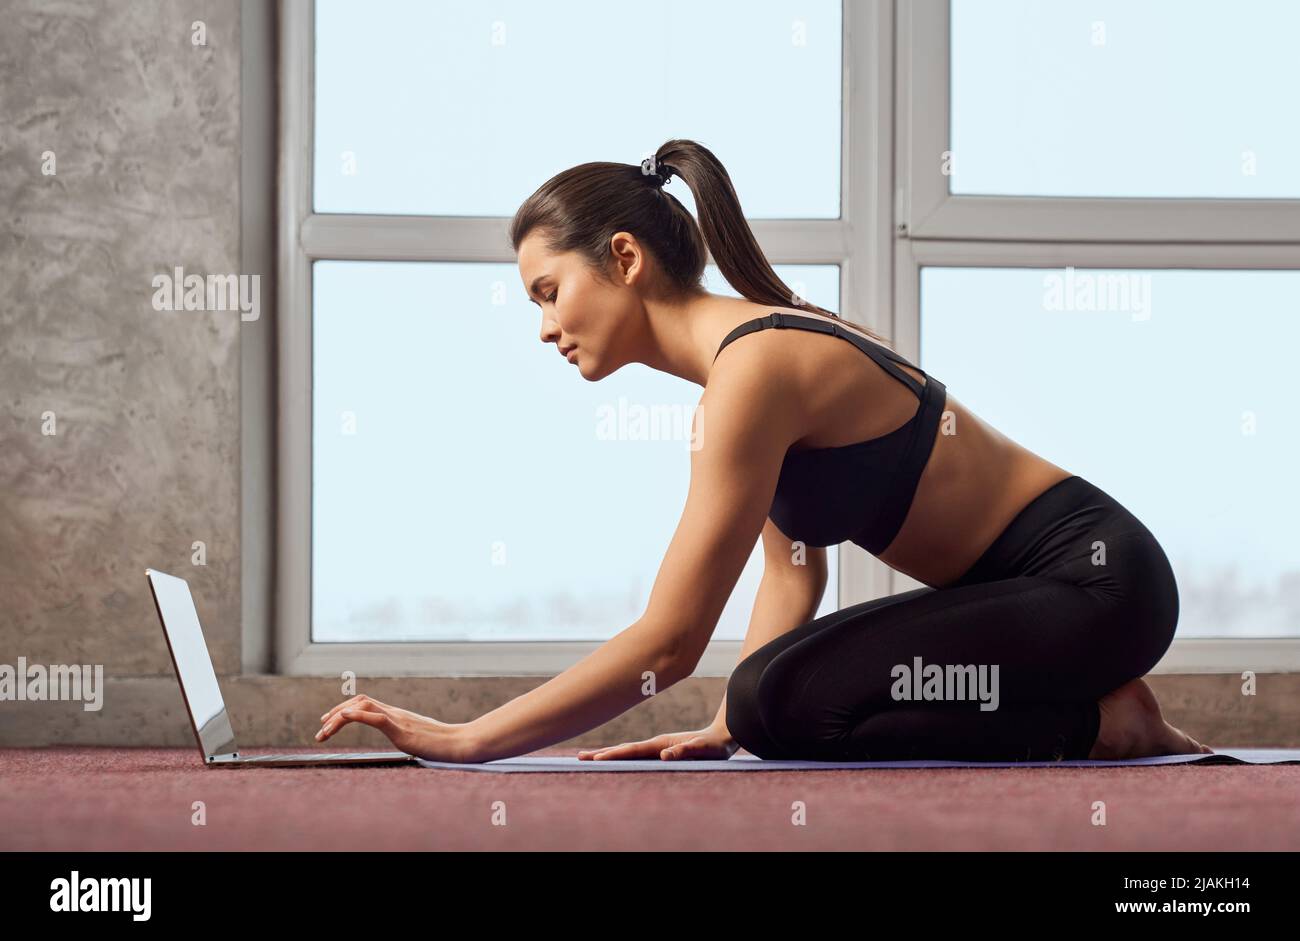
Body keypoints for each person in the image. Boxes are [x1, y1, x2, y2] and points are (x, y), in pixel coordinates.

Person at [317, 139, 1210, 763]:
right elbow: (794, 572)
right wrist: (723, 724)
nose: (546, 328)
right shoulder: (746, 366)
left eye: (550, 292)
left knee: (775, 701)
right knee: (763, 699)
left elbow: (667, 640)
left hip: (1099, 585)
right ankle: (1097, 715)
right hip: (1061, 593)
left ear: (623, 257)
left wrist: (467, 738)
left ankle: (1101, 727)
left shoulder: (753, 370)